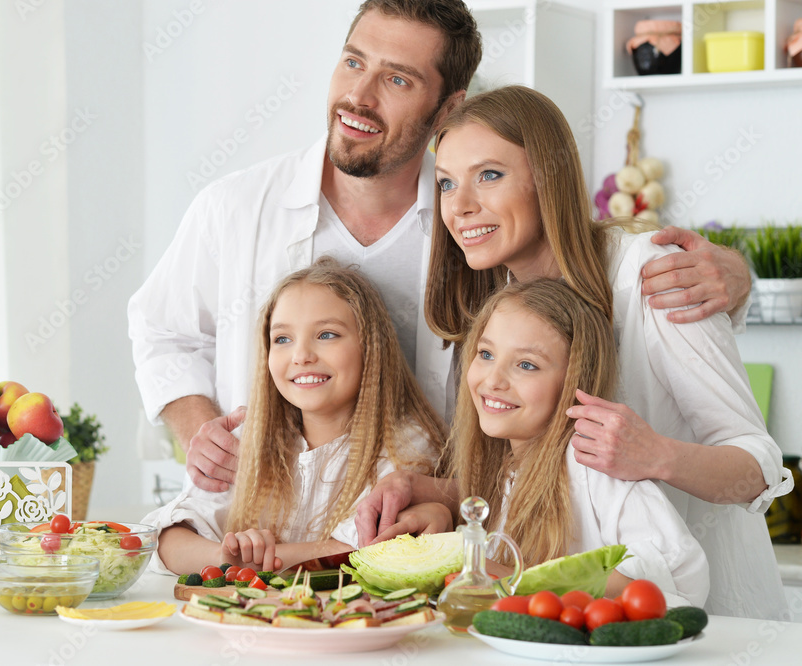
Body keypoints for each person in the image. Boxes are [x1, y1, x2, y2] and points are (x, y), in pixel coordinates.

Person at [128, 0, 750, 494]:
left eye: (396, 78)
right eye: (352, 62)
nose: (359, 97)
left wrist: (734, 276)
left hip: (427, 539)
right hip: (268, 524)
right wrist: (198, 429)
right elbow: (162, 330)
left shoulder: (476, 233)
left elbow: (581, 270)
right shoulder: (234, 207)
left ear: (449, 105)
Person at [355, 85, 791, 619]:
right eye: (446, 183)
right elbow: (546, 475)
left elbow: (760, 468)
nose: (461, 206)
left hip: (713, 621)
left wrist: (657, 455)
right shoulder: (501, 309)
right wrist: (440, 493)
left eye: (489, 175)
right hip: (581, 627)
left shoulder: (650, 276)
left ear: (547, 176)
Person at [143, 258, 448, 574]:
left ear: (371, 347)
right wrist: (227, 558)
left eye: (327, 334)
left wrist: (258, 563)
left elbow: (361, 554)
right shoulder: (249, 439)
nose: (302, 356)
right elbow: (164, 539)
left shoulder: (406, 445)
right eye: (283, 339)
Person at [448, 278, 708, 606]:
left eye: (526, 365)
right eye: (486, 353)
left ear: (575, 380)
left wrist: (519, 582)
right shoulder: (505, 471)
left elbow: (678, 569)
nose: (493, 380)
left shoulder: (591, 462)